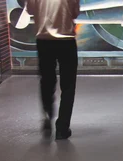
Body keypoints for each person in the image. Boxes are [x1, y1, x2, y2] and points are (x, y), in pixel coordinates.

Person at [26, 0, 81, 140]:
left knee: (46, 81)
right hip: (66, 41)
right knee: (68, 85)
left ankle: (47, 115)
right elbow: (75, 13)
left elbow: (30, 11)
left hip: (43, 40)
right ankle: (62, 128)